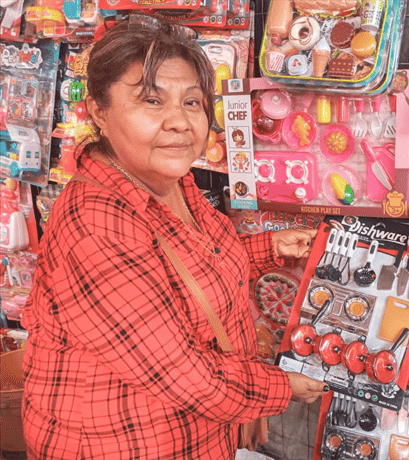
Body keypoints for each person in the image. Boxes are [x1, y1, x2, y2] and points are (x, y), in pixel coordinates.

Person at [21, 16, 327, 460]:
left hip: (196, 435)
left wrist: (268, 248)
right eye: (151, 100)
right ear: (99, 112)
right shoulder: (95, 220)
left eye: (192, 102)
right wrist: (282, 387)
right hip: (122, 443)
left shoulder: (168, 182)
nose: (180, 122)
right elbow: (181, 373)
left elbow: (180, 266)